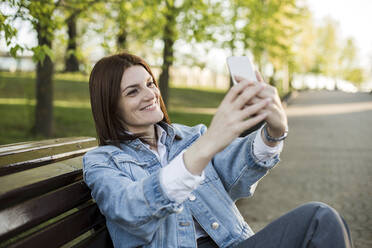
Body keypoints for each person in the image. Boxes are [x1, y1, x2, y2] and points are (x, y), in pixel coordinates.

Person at [83, 52, 353, 248]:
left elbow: (238, 173)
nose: (150, 94)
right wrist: (204, 148)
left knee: (322, 219)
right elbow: (128, 210)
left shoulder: (192, 136)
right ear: (110, 105)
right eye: (133, 91)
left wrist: (273, 133)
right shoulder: (102, 162)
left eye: (150, 83)